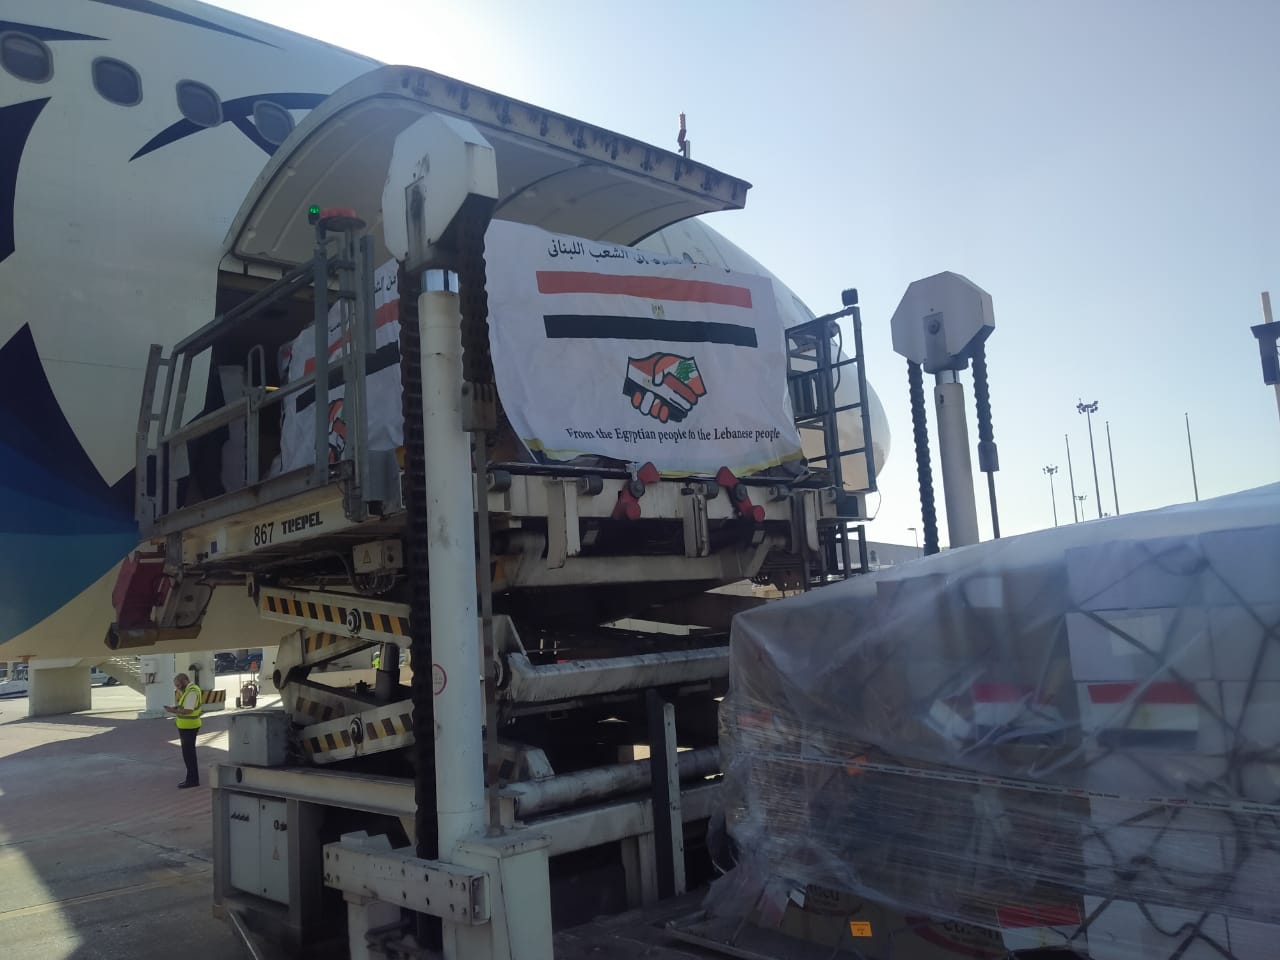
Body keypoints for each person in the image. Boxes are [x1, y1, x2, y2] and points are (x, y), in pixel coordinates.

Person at [164, 672, 203, 788]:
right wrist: (177, 708)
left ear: (184, 681)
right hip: (187, 726)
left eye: (178, 685)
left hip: (189, 726)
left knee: (189, 755)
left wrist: (173, 711)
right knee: (189, 754)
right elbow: (186, 706)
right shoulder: (189, 690)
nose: (177, 688)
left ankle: (192, 780)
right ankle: (191, 779)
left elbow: (189, 710)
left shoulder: (192, 691)